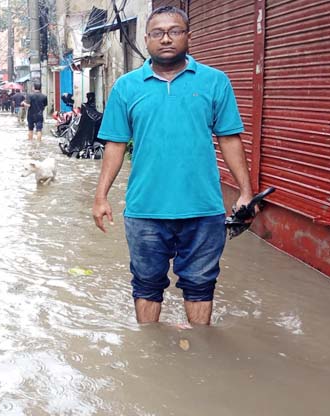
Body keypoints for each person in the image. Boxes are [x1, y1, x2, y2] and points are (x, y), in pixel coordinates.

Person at [91, 6, 254, 326]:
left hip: (204, 209)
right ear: (147, 39)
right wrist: (100, 197)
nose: (166, 38)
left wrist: (245, 192)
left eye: (175, 31)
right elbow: (115, 144)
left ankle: (200, 356)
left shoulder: (215, 82)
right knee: (146, 285)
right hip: (145, 211)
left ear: (188, 36)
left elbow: (230, 139)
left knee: (201, 285)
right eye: (157, 33)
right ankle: (150, 353)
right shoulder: (126, 87)